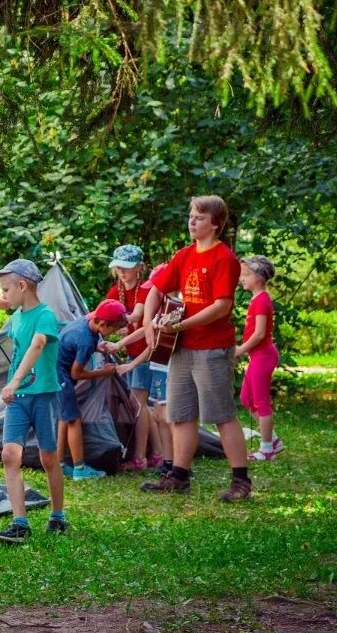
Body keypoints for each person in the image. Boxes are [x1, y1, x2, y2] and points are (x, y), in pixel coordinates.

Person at [141, 195, 252, 501]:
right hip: (180, 348)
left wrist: (181, 325)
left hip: (212, 348)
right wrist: (149, 322)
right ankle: (178, 477)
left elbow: (221, 306)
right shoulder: (184, 255)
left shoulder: (224, 259)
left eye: (200, 217)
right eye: (191, 215)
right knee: (180, 414)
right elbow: (156, 290)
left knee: (221, 415)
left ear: (215, 224)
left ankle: (241, 481)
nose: (192, 221)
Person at [0, 259, 67, 544]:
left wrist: (15, 381)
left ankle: (58, 515)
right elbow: (18, 352)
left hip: (43, 396)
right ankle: (19, 522)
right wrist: (13, 383)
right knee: (10, 455)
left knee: (49, 458)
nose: (3, 295)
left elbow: (37, 345)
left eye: (6, 289)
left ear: (22, 286)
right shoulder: (16, 317)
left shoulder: (45, 315)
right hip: (19, 400)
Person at [104, 264, 175, 474]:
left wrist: (132, 364)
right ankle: (164, 459)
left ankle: (163, 461)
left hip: (162, 362)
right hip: (153, 360)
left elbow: (154, 343)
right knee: (157, 412)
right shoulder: (162, 307)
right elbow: (147, 329)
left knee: (162, 413)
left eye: (155, 287)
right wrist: (118, 344)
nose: (151, 290)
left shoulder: (172, 307)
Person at [57, 299, 127, 480]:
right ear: (102, 323)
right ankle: (80, 469)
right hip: (61, 377)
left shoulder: (86, 321)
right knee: (73, 420)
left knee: (65, 418)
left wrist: (98, 347)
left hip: (54, 371)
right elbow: (76, 374)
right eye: (111, 330)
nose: (111, 335)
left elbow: (74, 345)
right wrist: (103, 372)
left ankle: (59, 464)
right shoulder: (86, 339)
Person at [105, 245, 157, 471]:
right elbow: (106, 315)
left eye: (126, 267)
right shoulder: (116, 291)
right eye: (118, 267)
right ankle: (157, 453)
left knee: (138, 402)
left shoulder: (146, 289)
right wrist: (116, 329)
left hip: (148, 351)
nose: (122, 272)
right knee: (140, 404)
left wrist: (120, 327)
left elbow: (137, 315)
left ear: (139, 267)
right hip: (131, 352)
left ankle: (139, 457)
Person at [235, 255, 283, 461]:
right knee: (246, 398)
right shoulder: (256, 299)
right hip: (256, 355)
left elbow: (260, 334)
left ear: (258, 276)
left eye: (245, 275)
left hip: (263, 356)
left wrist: (240, 349)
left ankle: (266, 449)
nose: (241, 278)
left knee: (261, 401)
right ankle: (273, 440)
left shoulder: (262, 300)